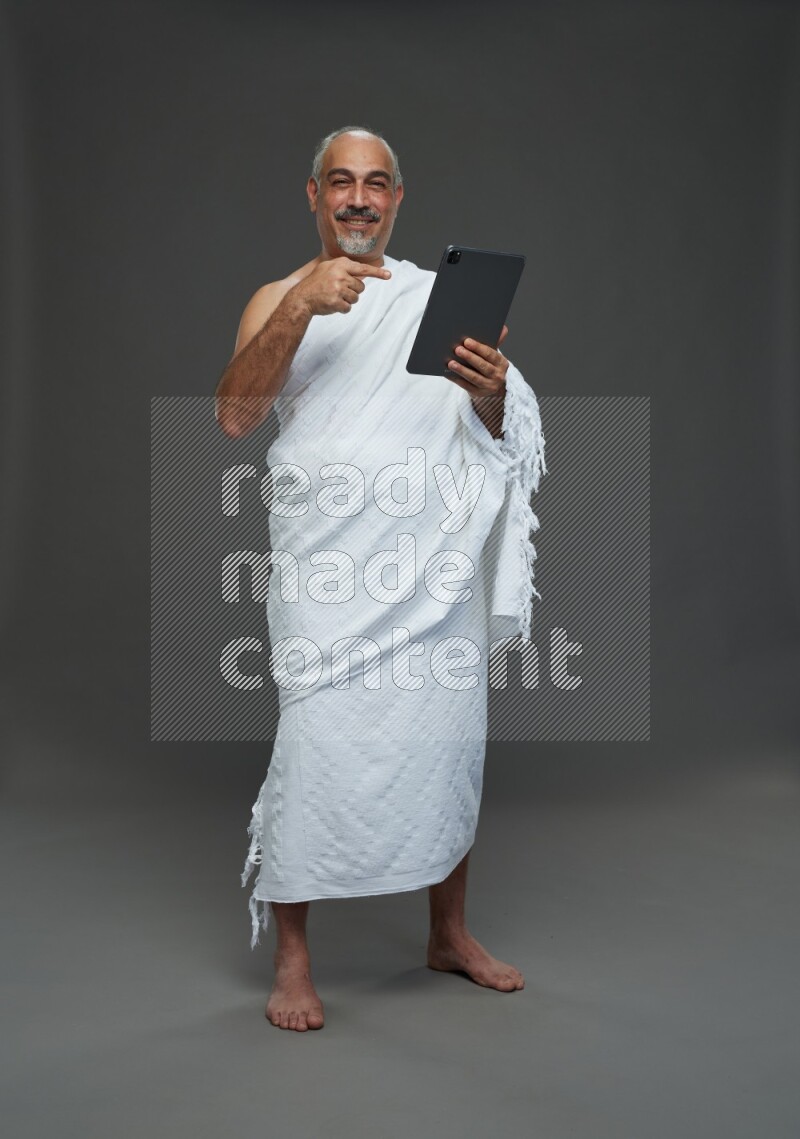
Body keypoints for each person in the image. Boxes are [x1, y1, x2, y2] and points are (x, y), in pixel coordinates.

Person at [215, 125, 547, 1031]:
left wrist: (488, 386)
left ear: (397, 199)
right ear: (314, 195)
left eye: (375, 183)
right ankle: (292, 958)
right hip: (328, 571)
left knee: (446, 739)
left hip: (431, 568)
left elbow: (498, 429)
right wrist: (301, 307)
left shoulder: (439, 298)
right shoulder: (276, 296)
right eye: (340, 182)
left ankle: (449, 933)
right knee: (314, 746)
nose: (358, 198)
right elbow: (237, 417)